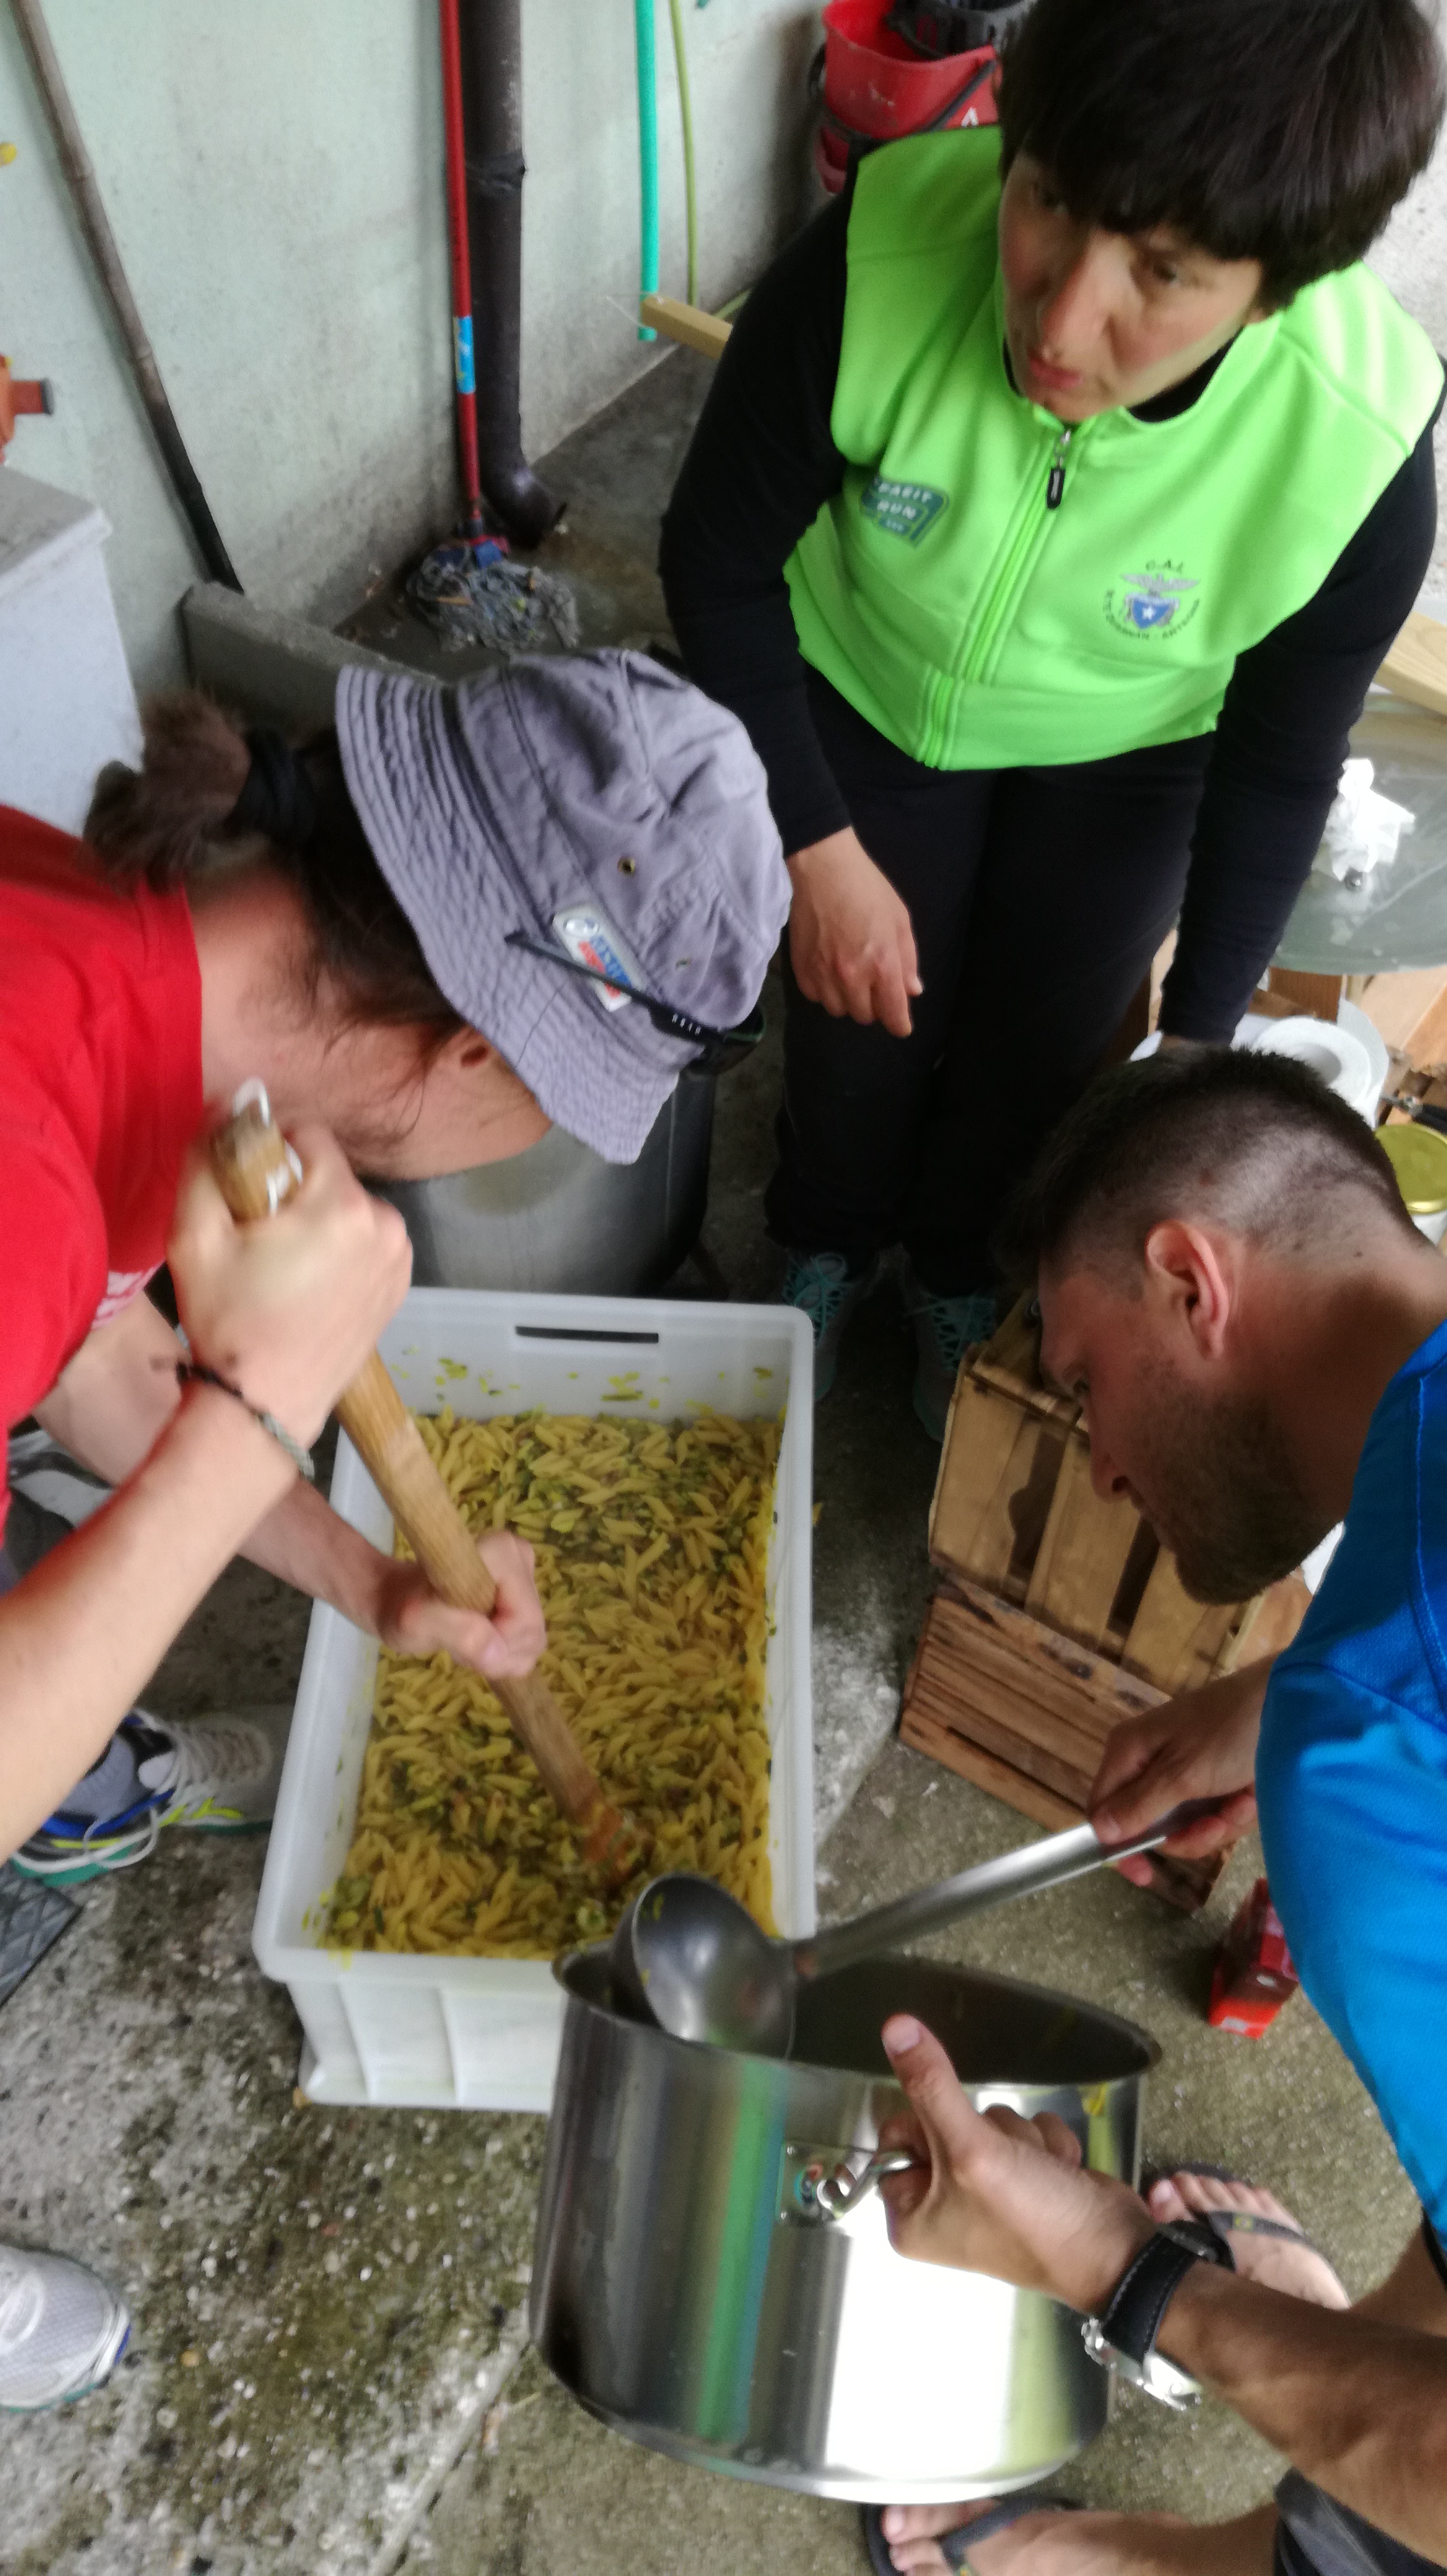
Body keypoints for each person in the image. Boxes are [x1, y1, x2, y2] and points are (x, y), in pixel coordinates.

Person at [0, 645, 789, 2408]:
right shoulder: (20, 1160)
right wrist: (255, 1411)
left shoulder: (103, 954)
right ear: (471, 1048)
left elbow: (90, 1349)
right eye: (545, 1118)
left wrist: (358, 1573)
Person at [660, 0, 1445, 1435]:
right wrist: (815, 846)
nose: (1060, 320)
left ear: (1273, 291)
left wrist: (1192, 1055)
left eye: (1161, 271)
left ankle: (959, 1262)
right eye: (1048, 202)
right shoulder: (877, 259)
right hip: (869, 691)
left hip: (1131, 749)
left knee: (1044, 1045)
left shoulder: (1354, 440)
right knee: (855, 1020)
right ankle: (825, 1237)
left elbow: (1279, 763)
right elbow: (714, 562)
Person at [868, 1048, 1447, 2575]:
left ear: (1191, 1281)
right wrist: (1281, 1697)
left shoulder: (1369, 1761)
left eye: (1083, 1385)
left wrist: (1117, 2268)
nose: (1103, 1471)